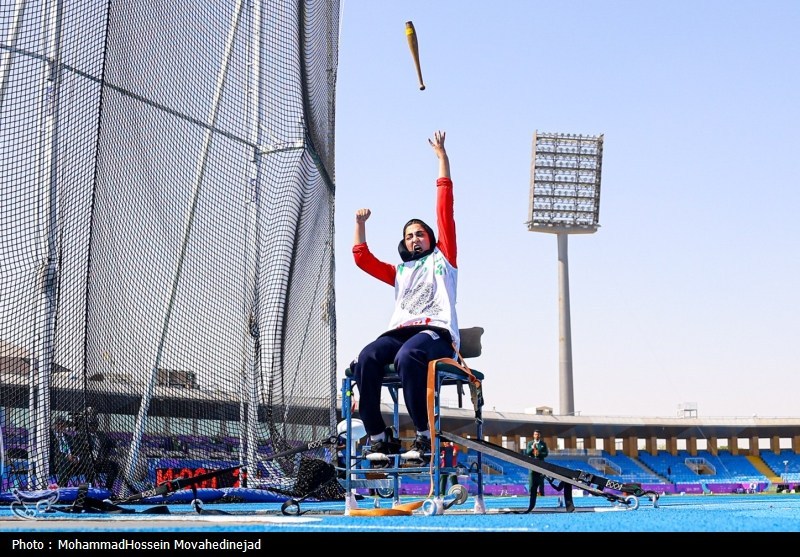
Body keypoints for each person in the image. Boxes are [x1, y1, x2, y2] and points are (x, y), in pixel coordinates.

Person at [351, 130, 459, 466]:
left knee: (410, 356)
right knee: (367, 357)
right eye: (409, 235)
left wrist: (441, 158)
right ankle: (379, 437)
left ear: (431, 238)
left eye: (420, 234)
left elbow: (445, 207)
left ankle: (426, 437)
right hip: (400, 332)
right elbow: (362, 259)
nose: (415, 239)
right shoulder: (399, 271)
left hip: (435, 333)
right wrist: (359, 224)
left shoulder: (445, 257)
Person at [524, 429, 549, 506]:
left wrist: (539, 453)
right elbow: (527, 453)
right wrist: (532, 448)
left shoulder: (543, 444)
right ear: (533, 435)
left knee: (541, 479)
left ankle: (541, 493)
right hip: (532, 463)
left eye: (538, 434)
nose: (536, 436)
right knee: (531, 478)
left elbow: (546, 454)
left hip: (541, 463)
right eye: (535, 434)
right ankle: (531, 493)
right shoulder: (530, 443)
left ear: (539, 435)